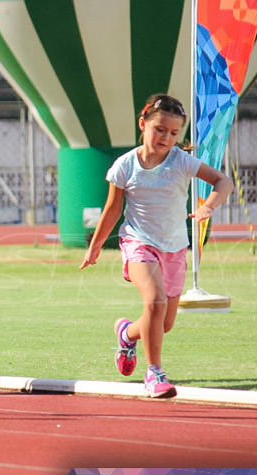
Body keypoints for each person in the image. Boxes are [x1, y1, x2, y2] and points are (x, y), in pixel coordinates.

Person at [79, 94, 233, 398]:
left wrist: (209, 207)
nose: (166, 137)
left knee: (163, 324)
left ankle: (126, 334)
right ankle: (155, 374)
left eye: (174, 133)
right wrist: (95, 246)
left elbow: (223, 181)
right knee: (154, 300)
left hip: (174, 247)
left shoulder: (182, 161)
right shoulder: (125, 165)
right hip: (138, 242)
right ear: (143, 124)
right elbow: (112, 209)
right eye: (160, 129)